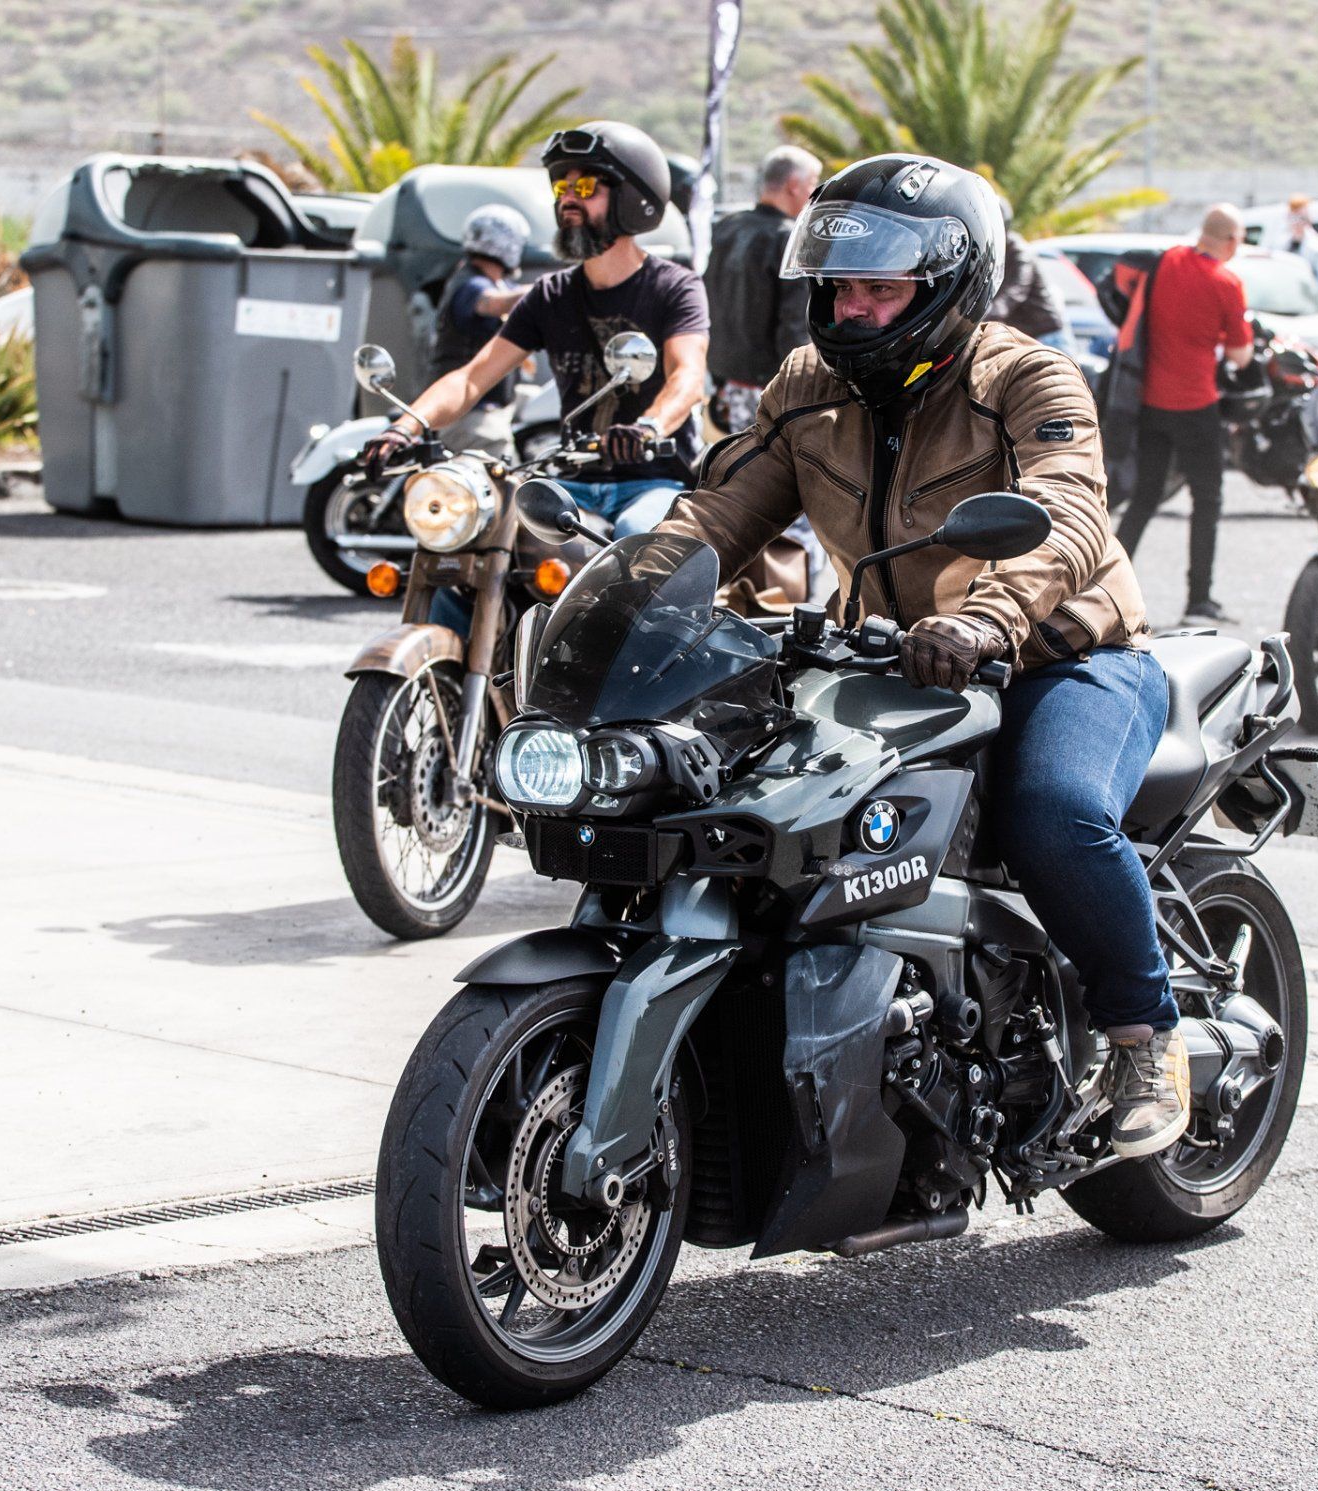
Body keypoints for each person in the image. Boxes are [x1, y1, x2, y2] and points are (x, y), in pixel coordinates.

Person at [650, 153, 1189, 1157]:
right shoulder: (808, 387)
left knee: (1054, 813)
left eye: (879, 288)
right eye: (839, 287)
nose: (852, 309)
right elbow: (721, 511)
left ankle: (1141, 1035)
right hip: (896, 666)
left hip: (1062, 654)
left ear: (948, 286)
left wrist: (990, 620)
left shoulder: (1026, 377)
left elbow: (1064, 513)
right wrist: (630, 592)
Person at [363, 121, 710, 540]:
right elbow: (472, 378)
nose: (567, 198)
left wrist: (649, 426)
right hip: (570, 483)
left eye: (583, 189)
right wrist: (406, 426)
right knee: (475, 539)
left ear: (631, 198)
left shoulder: (674, 287)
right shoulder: (552, 294)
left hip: (655, 482)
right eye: (560, 188)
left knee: (636, 538)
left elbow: (687, 376)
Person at [1113, 203, 1255, 625]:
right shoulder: (1226, 282)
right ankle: (1199, 599)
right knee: (1207, 499)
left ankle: (1104, 583)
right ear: (1230, 241)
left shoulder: (1167, 261)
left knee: (1145, 497)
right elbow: (1240, 354)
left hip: (1150, 402)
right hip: (1197, 405)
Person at [705, 145, 822, 434]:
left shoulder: (726, 226)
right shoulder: (790, 239)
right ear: (794, 186)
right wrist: (803, 387)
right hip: (770, 388)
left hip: (725, 383)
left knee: (734, 467)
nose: (814, 194)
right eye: (812, 184)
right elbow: (795, 325)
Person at [425, 204, 532, 456]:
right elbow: (493, 303)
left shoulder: (500, 282)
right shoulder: (470, 283)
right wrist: (548, 289)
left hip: (498, 401)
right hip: (467, 411)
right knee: (502, 463)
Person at [987, 196, 1069, 348]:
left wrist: (983, 314)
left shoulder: (1019, 252)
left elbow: (1014, 292)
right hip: (1024, 337)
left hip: (1045, 337)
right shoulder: (993, 251)